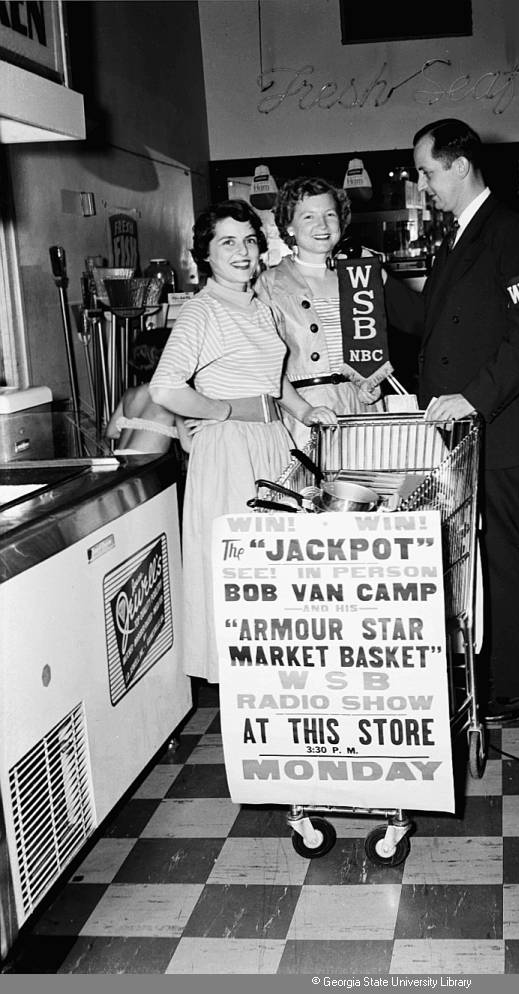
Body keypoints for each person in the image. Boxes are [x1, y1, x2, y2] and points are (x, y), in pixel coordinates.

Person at [384, 118, 519, 724]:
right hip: (462, 429)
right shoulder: (461, 235)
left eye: (428, 172)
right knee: (480, 553)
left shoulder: (509, 232)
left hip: (497, 427)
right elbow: (433, 322)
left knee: (509, 552)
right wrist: (367, 281)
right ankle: (496, 669)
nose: (423, 183)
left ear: (459, 166)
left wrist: (473, 399)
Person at [149, 199, 337, 683]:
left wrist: (305, 410)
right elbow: (165, 387)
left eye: (250, 240)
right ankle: (245, 688)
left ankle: (278, 687)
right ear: (204, 254)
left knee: (277, 574)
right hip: (231, 453)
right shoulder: (201, 311)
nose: (242, 251)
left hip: (272, 444)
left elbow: (274, 380)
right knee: (243, 577)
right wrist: (221, 411)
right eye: (227, 242)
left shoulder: (260, 307)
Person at [256, 176, 381, 448]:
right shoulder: (269, 284)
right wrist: (304, 411)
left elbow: (369, 350)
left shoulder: (358, 278)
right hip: (306, 416)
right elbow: (265, 366)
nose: (322, 225)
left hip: (360, 412)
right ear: (289, 225)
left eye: (329, 214)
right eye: (308, 217)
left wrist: (371, 382)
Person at [105, 340, 188, 455]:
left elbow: (111, 432)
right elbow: (188, 445)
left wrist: (145, 431)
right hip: (145, 466)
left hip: (120, 458)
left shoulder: (131, 393)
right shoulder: (173, 393)